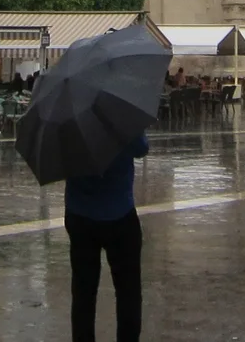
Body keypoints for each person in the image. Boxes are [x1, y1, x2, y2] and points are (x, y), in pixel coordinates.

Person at [66, 133, 149, 342]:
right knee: (128, 292)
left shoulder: (68, 121)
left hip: (80, 213)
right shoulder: (120, 115)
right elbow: (141, 148)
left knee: (83, 293)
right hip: (119, 212)